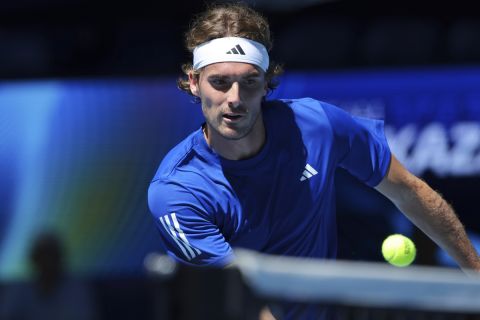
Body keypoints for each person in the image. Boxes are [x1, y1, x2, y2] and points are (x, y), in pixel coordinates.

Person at [147, 2, 480, 319]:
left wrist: (476, 276)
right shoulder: (177, 192)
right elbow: (240, 300)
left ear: (266, 85)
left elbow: (409, 192)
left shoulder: (317, 124)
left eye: (248, 82)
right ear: (194, 83)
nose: (234, 99)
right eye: (219, 82)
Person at [0, 231, 99, 320]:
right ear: (34, 259)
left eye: (51, 255)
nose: (48, 262)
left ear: (60, 258)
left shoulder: (76, 289)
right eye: (43, 255)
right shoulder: (20, 289)